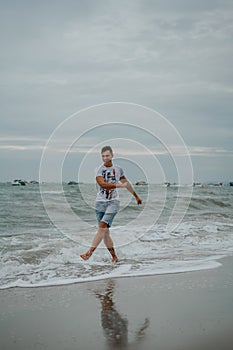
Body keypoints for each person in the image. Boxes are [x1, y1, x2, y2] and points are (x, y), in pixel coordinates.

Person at [80, 145, 142, 262]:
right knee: (105, 233)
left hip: (113, 202)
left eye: (107, 155)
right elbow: (102, 184)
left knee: (102, 227)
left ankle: (89, 253)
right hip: (100, 203)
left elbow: (126, 183)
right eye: (103, 156)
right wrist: (119, 185)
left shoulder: (118, 169)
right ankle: (114, 257)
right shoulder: (98, 170)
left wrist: (136, 196)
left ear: (112, 155)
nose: (105, 158)